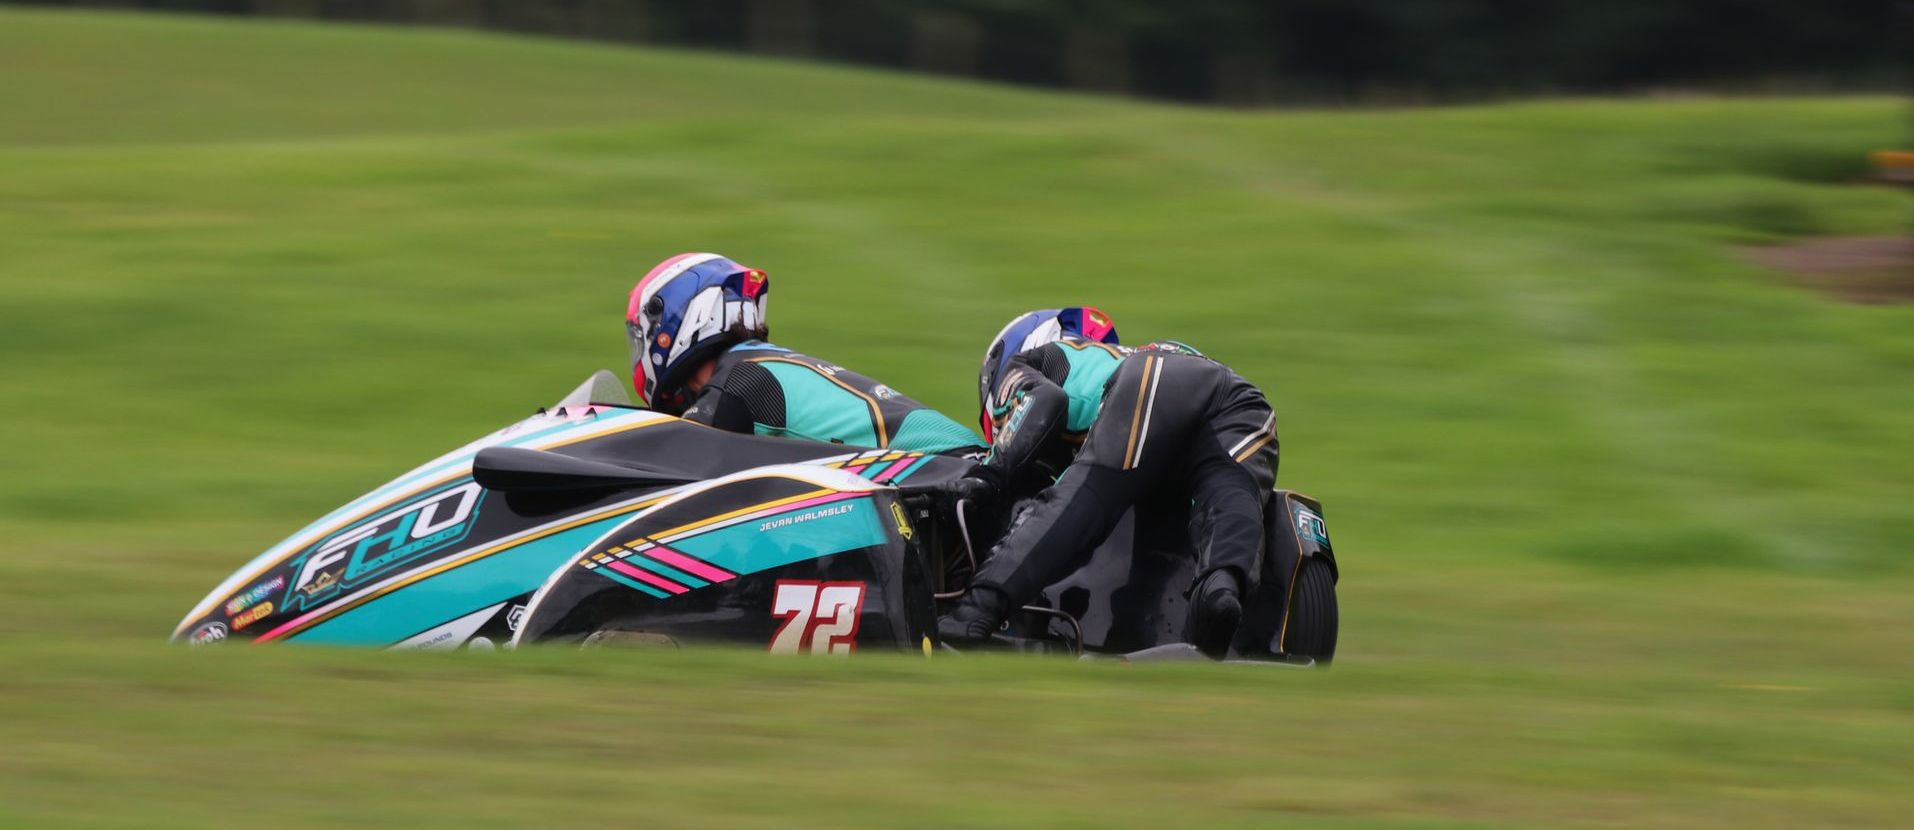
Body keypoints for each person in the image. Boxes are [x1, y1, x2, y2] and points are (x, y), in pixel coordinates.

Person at [938, 308, 1279, 657]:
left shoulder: (1027, 363)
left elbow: (1045, 403)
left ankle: (974, 613)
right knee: (1230, 502)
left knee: (1083, 497)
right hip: (1247, 405)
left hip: (1156, 381)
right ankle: (1217, 597)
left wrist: (990, 474)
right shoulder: (1122, 357)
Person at [626, 252, 984, 455]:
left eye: (641, 337)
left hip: (951, 467)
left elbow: (675, 458)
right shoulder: (759, 363)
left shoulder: (738, 379)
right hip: (955, 463)